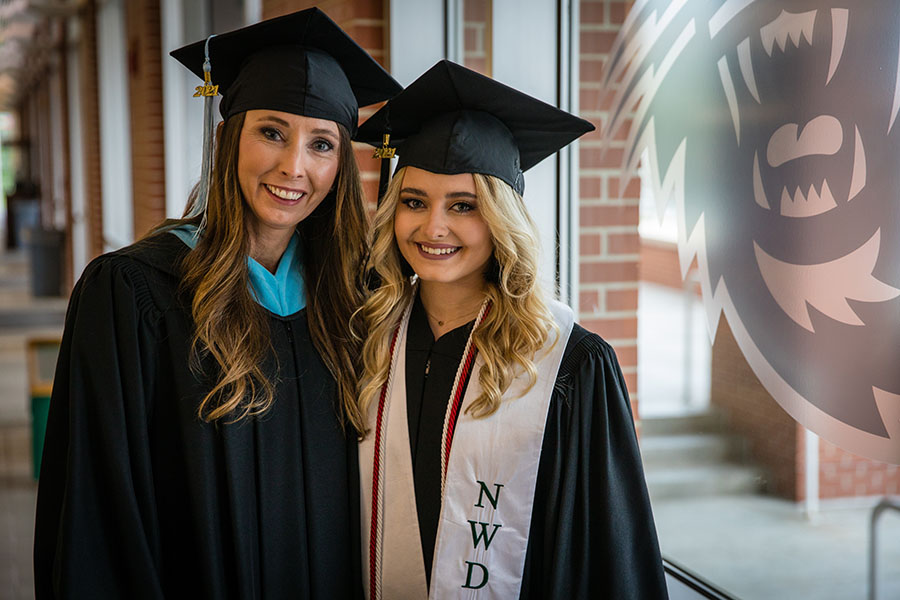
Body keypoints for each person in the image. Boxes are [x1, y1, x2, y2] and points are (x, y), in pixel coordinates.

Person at [33, 9, 401, 599]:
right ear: (226, 136)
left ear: (340, 164)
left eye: (322, 144)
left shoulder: (354, 302)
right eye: (272, 132)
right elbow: (100, 508)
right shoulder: (132, 292)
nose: (294, 167)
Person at [355, 61, 667, 599]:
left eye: (464, 206)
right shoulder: (368, 338)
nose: (433, 227)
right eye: (414, 202)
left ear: (501, 220)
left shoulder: (569, 365)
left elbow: (611, 552)